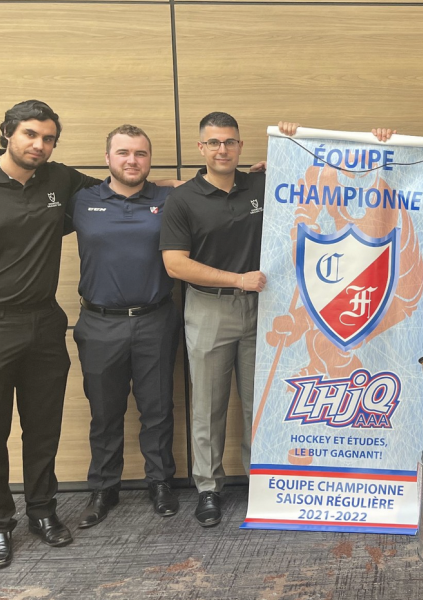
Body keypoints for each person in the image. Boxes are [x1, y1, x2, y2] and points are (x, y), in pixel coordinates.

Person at [0, 100, 104, 568]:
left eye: (49, 137)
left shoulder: (60, 179)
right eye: (31, 134)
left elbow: (123, 189)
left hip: (44, 323)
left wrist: (189, 185)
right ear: (8, 133)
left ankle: (42, 511)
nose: (40, 144)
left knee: (43, 428)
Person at [70, 125, 182, 529]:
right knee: (104, 412)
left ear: (149, 160)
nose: (131, 160)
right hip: (99, 323)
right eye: (123, 153)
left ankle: (160, 483)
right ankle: (104, 488)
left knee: (157, 409)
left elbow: (210, 191)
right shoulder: (81, 200)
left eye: (140, 153)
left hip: (155, 318)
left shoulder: (170, 199)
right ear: (107, 158)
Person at [160, 112, 267, 527]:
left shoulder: (260, 184)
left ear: (241, 146)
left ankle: (263, 485)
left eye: (231, 142)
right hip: (207, 309)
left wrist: (288, 156)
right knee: (207, 404)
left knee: (260, 404)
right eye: (215, 143)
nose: (223, 150)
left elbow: (318, 186)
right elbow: (175, 265)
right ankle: (208, 488)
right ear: (201, 149)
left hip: (261, 309)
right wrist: (238, 279)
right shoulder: (183, 199)